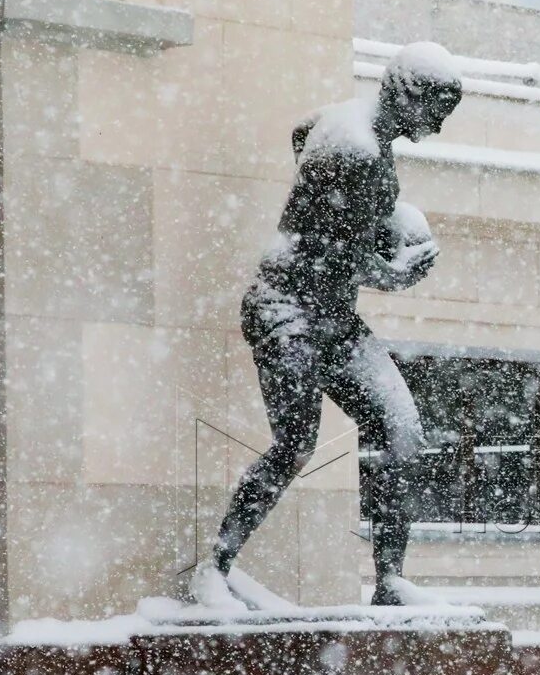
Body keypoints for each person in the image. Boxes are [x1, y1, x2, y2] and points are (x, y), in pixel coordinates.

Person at [189, 42, 463, 613]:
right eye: (435, 112)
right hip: (286, 309)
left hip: (333, 314)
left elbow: (299, 133)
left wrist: (371, 221)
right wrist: (392, 272)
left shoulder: (346, 126)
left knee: (401, 428)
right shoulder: (358, 149)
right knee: (294, 444)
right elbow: (320, 253)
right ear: (408, 93)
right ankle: (213, 568)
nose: (436, 128)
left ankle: (391, 580)